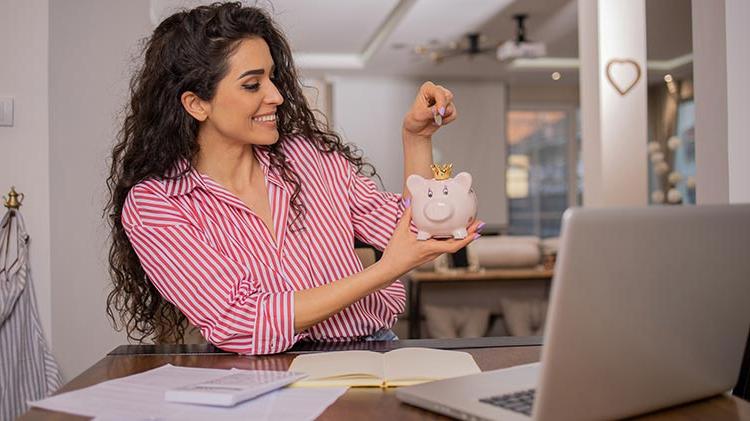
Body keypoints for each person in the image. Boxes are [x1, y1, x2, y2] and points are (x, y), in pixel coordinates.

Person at [105, 2, 483, 355]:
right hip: (257, 370)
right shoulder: (157, 204)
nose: (277, 96)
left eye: (272, 78)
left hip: (371, 350)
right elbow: (240, 321)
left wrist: (417, 138)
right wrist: (384, 271)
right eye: (252, 85)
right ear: (196, 103)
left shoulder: (309, 158)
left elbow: (414, 230)